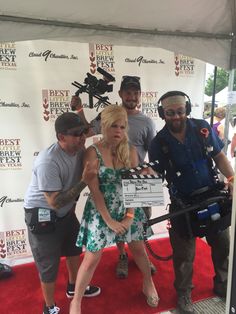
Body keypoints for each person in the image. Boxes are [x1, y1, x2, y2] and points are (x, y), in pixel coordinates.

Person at [148, 91, 234, 314]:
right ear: (162, 113)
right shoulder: (158, 142)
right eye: (170, 113)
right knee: (184, 255)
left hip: (212, 196)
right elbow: (154, 175)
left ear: (186, 109)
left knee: (222, 245)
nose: (176, 116)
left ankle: (223, 284)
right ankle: (184, 294)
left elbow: (219, 156)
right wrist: (138, 180)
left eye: (180, 111)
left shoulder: (202, 128)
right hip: (183, 204)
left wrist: (232, 178)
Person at [69, 105, 159, 314]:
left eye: (122, 126)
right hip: (101, 208)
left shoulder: (131, 150)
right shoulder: (92, 151)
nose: (118, 131)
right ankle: (76, 301)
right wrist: (108, 220)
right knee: (92, 257)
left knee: (138, 249)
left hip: (129, 204)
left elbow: (134, 187)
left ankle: (148, 283)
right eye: (113, 126)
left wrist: (129, 217)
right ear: (104, 126)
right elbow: (95, 190)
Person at [24, 112, 101, 314]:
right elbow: (55, 202)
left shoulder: (78, 149)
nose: (82, 137)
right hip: (43, 214)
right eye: (76, 134)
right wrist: (85, 181)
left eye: (83, 132)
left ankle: (73, 288)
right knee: (49, 266)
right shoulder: (47, 161)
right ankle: (49, 307)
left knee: (75, 250)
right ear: (61, 137)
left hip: (66, 214)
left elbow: (103, 127)